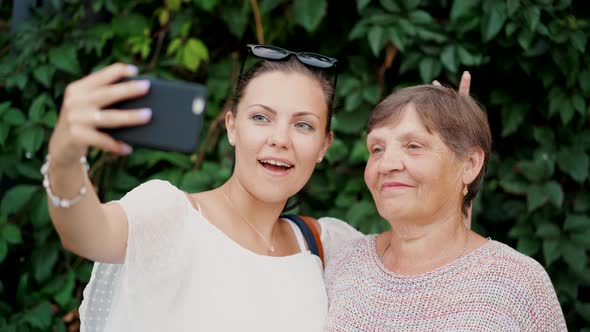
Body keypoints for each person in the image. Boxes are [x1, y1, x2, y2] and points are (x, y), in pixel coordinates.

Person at [45, 45, 364, 332]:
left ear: (324, 145)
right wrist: (64, 158)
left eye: (303, 125)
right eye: (261, 118)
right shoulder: (171, 214)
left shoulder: (326, 247)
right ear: (232, 127)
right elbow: (85, 233)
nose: (280, 139)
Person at [324, 85, 567, 331]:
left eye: (413, 146)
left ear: (469, 164)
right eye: (377, 149)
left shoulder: (517, 282)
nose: (386, 164)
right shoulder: (346, 263)